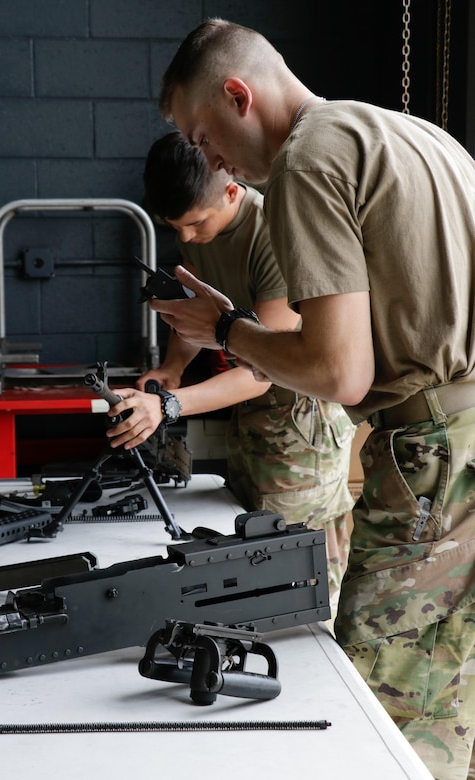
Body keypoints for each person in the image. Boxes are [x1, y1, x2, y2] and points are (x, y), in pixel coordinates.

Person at [149, 18, 475, 780]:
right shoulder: (415, 134)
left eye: (203, 137)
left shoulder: (307, 161)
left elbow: (339, 373)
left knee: (377, 705)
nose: (211, 162)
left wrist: (226, 327)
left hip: (432, 454)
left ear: (238, 95)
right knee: (447, 682)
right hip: (459, 434)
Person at [106, 131, 356, 617]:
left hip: (301, 425)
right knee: (251, 551)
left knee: (301, 576)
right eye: (174, 228)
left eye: (194, 224)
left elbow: (269, 368)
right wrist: (172, 369)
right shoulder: (202, 230)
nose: (186, 239)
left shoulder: (275, 233)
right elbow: (202, 314)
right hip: (250, 418)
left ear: (232, 191)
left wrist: (169, 406)